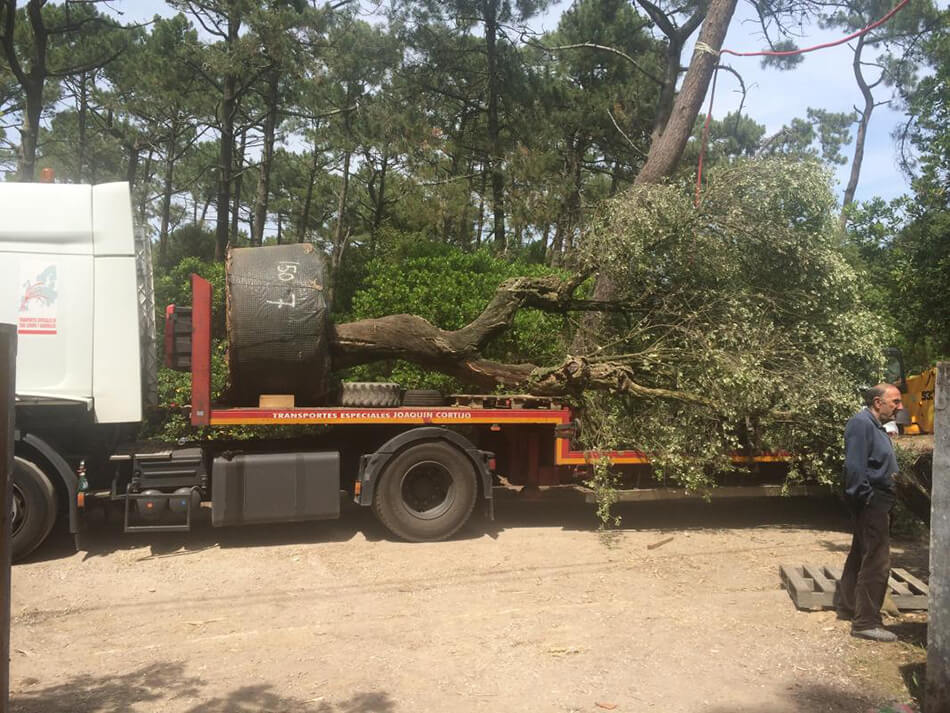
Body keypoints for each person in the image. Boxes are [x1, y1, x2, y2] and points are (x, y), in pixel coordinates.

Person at [834, 383, 903, 642]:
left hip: (877, 500)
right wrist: (865, 498)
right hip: (871, 501)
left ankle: (848, 606)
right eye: (895, 401)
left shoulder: (874, 426)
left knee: (860, 554)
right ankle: (865, 622)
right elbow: (854, 467)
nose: (900, 407)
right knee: (877, 560)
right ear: (878, 402)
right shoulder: (861, 424)